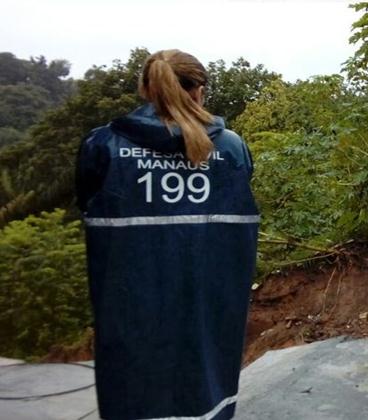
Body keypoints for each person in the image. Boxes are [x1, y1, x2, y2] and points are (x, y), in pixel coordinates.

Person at [76, 50, 259, 420]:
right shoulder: (232, 149)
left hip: (130, 311)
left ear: (146, 88)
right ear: (200, 91)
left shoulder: (103, 147)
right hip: (209, 310)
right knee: (206, 397)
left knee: (133, 396)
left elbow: (86, 203)